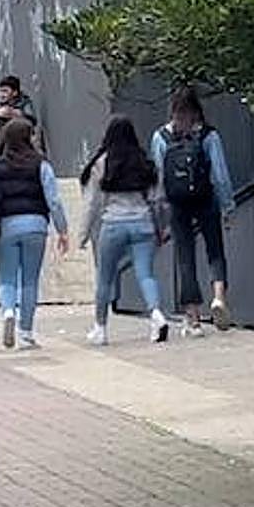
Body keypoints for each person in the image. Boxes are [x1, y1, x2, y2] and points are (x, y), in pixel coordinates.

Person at [151, 86, 236, 336]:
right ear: (197, 109)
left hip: (178, 203)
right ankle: (219, 297)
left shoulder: (161, 138)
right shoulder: (209, 136)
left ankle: (194, 318)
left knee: (185, 257)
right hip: (205, 199)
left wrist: (160, 216)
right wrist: (228, 206)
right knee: (215, 250)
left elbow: (157, 179)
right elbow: (220, 175)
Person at [79, 116, 170, 346]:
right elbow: (158, 200)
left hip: (113, 224)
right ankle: (156, 314)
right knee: (145, 274)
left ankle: (100, 328)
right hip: (143, 224)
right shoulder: (143, 162)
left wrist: (83, 233)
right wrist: (161, 227)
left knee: (105, 278)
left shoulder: (102, 163)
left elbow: (92, 203)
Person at [0, 119, 71, 349]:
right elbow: (53, 199)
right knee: (29, 280)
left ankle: (7, 311)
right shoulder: (41, 164)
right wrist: (62, 229)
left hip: (5, 225)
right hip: (35, 224)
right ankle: (25, 332)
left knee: (6, 277)